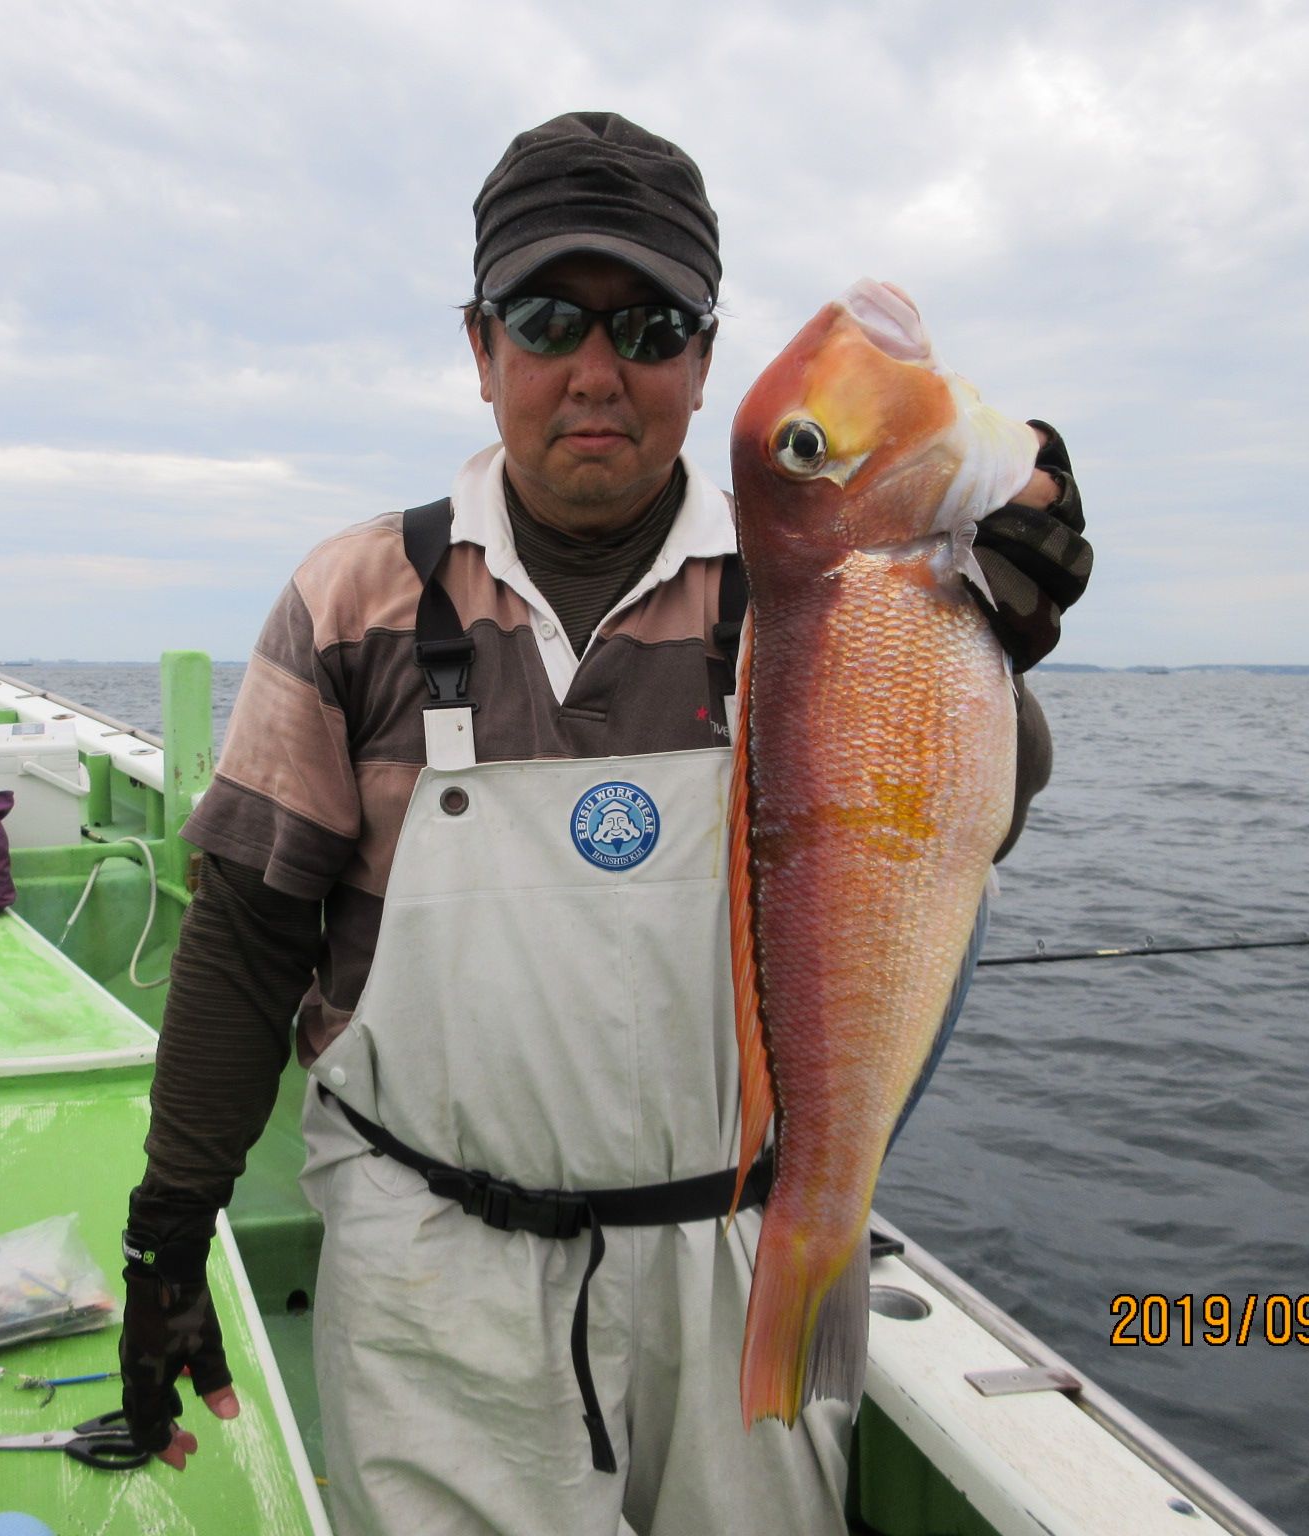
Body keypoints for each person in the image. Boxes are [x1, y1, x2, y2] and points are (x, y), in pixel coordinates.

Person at [119, 110, 1092, 1535]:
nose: (595, 370)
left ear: (702, 361)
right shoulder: (355, 601)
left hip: (733, 1250)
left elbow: (960, 820)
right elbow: (247, 936)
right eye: (545, 318)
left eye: (647, 326)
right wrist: (168, 1230)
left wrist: (996, 624)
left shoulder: (803, 587)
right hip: (429, 1268)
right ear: (480, 347)